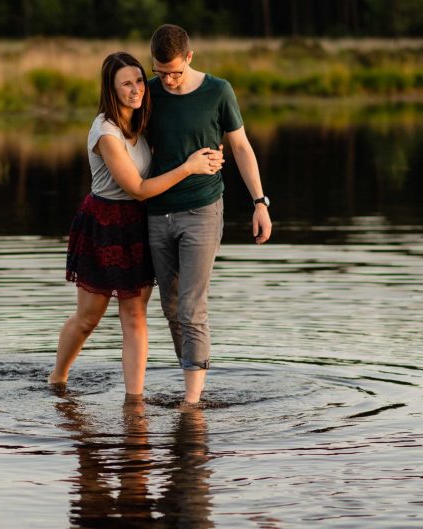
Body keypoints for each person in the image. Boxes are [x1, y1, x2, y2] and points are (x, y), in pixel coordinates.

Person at [48, 51, 225, 396]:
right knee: (88, 318)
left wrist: (211, 154)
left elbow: (179, 139)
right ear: (111, 90)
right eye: (125, 84)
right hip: (105, 223)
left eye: (139, 80)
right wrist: (189, 167)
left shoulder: (142, 121)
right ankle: (57, 378)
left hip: (139, 224)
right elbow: (140, 189)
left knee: (134, 316)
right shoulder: (105, 132)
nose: (136, 89)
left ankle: (135, 401)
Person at [146, 24, 273, 405]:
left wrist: (260, 202)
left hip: (202, 209)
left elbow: (241, 148)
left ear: (189, 57)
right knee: (170, 306)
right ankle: (192, 376)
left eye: (174, 71)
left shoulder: (219, 91)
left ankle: (191, 401)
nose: (167, 79)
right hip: (156, 211)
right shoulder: (149, 93)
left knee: (190, 304)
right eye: (159, 72)